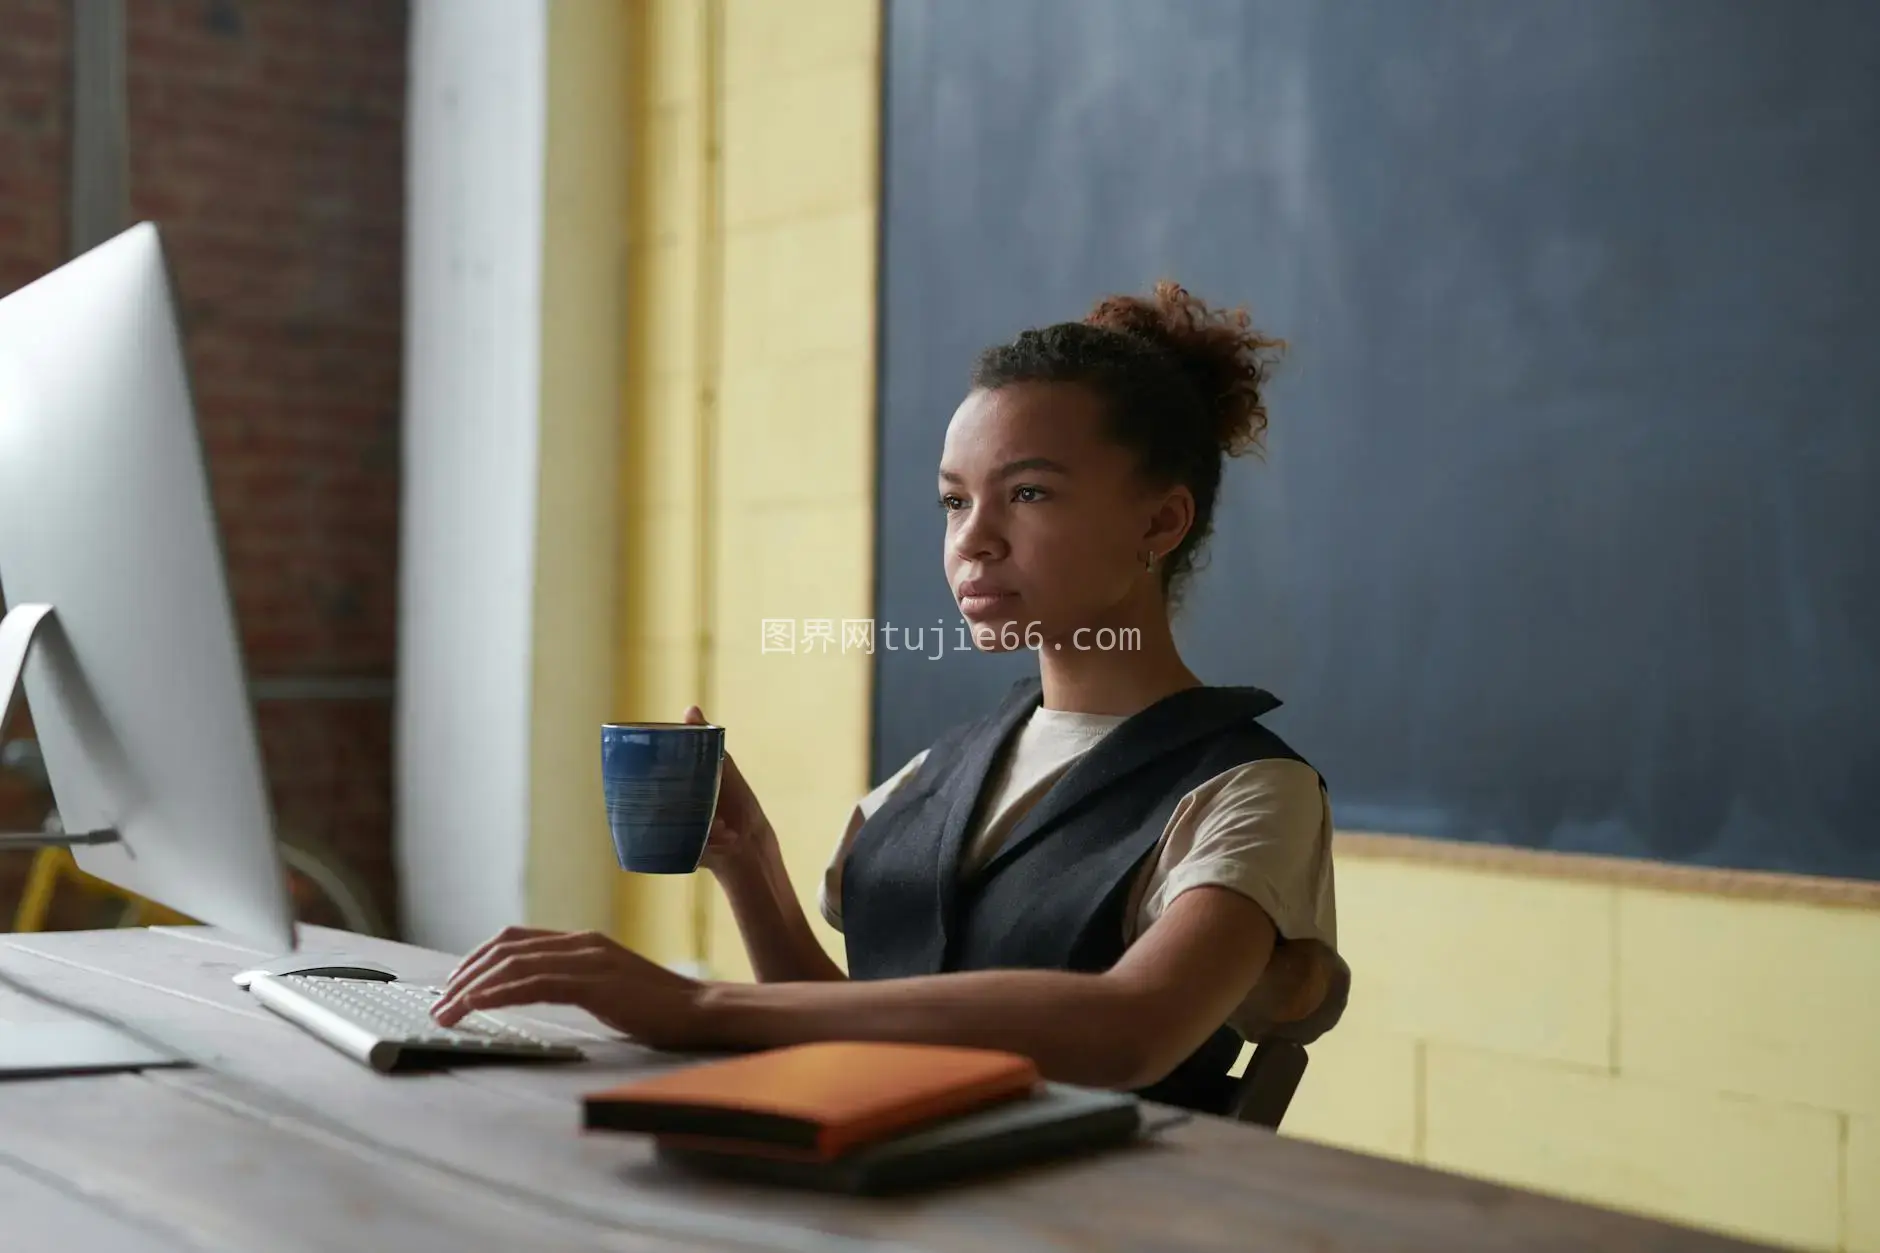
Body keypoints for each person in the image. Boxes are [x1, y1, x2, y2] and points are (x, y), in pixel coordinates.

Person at [434, 281, 1348, 1115]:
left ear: (1160, 521)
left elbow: (1133, 1025)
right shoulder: (942, 766)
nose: (973, 541)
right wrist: (752, 867)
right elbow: (851, 1024)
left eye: (1027, 492)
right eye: (955, 501)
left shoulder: (1250, 789)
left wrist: (699, 1004)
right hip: (877, 1182)